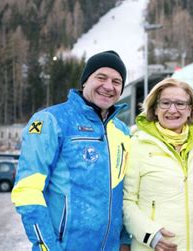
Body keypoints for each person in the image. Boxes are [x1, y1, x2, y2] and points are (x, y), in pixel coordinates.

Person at [11, 50, 131, 250]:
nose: (108, 86)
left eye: (116, 81)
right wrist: (45, 246)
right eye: (101, 77)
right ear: (85, 81)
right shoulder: (51, 120)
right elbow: (27, 190)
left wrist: (124, 241)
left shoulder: (122, 131)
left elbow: (123, 191)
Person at [123, 78, 193, 251]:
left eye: (180, 104)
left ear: (190, 109)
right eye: (165, 103)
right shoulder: (137, 144)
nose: (172, 110)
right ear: (155, 108)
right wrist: (150, 235)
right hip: (153, 247)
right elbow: (126, 201)